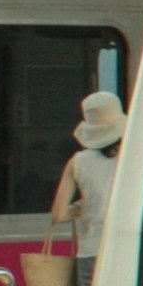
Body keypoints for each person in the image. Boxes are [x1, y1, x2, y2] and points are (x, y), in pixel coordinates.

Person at [50, 91, 122, 266]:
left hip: (92, 251)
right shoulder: (139, 156)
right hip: (128, 250)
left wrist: (83, 206)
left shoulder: (78, 162)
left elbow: (58, 215)